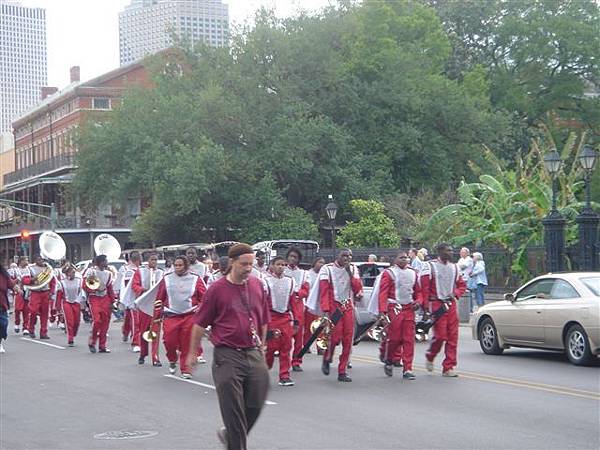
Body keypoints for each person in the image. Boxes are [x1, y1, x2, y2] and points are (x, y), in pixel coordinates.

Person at [188, 243, 270, 450]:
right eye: (244, 264)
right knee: (233, 411)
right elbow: (199, 323)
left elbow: (263, 318)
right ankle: (235, 441)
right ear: (232, 263)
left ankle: (230, 433)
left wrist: (263, 344)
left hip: (253, 351)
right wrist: (191, 353)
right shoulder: (217, 289)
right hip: (227, 354)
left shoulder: (257, 285)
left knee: (257, 399)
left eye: (251, 264)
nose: (249, 268)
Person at [153, 255, 205, 378]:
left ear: (186, 266)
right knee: (169, 341)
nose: (177, 268)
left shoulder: (195, 279)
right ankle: (172, 359)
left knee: (186, 343)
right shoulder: (166, 279)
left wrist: (200, 309)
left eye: (180, 265)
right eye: (175, 265)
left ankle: (186, 369)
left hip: (189, 315)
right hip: (171, 315)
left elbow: (204, 298)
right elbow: (159, 298)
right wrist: (156, 316)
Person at [421, 243, 466, 377]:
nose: (451, 253)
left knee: (453, 337)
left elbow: (462, 285)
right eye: (448, 250)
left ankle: (448, 367)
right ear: (440, 252)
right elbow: (424, 287)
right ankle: (430, 355)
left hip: (450, 305)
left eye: (452, 250)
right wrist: (425, 308)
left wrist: (456, 293)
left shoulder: (455, 268)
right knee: (440, 336)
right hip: (436, 304)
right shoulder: (430, 266)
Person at [318, 249, 363, 382]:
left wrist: (350, 273)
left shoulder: (353, 269)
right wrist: (325, 310)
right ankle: (327, 357)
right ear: (338, 256)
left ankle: (342, 370)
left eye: (349, 255)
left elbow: (357, 288)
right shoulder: (328, 269)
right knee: (335, 337)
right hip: (333, 306)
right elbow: (324, 290)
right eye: (344, 255)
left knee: (348, 339)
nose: (347, 258)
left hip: (347, 306)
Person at [376, 251, 422, 379]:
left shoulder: (414, 273)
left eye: (406, 257)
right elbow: (383, 294)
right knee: (395, 339)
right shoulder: (389, 273)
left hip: (409, 310)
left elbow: (419, 292)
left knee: (409, 339)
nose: (404, 259)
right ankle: (389, 359)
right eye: (401, 257)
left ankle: (408, 368)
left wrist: (418, 301)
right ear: (395, 260)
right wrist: (383, 311)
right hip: (394, 309)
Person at [264, 256, 301, 386]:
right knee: (271, 346)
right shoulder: (265, 281)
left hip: (285, 317)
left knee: (286, 346)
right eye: (278, 264)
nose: (281, 267)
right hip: (271, 317)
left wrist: (296, 320)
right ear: (272, 266)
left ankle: (284, 375)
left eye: (283, 264)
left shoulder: (290, 281)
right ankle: (265, 369)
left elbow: (293, 302)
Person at [131, 252, 165, 366]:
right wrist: (143, 290)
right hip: (144, 306)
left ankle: (155, 357)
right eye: (152, 259)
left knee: (155, 331)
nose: (154, 262)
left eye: (156, 259)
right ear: (147, 260)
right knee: (144, 331)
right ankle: (143, 353)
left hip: (156, 306)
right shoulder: (140, 271)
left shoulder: (161, 273)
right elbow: (134, 285)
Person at [83, 255, 116, 353]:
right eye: (105, 261)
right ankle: (92, 341)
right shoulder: (91, 271)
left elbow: (110, 288)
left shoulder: (108, 274)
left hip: (105, 298)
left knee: (105, 322)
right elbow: (85, 285)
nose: (107, 263)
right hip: (94, 297)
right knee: (97, 321)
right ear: (100, 262)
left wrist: (113, 301)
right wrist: (93, 288)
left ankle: (102, 345)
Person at [283, 247, 308, 372]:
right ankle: (284, 361)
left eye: (295, 257)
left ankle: (296, 361)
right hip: (285, 306)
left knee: (299, 338)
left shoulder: (303, 273)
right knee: (285, 337)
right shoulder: (282, 270)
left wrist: (298, 293)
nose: (292, 259)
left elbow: (306, 289)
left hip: (298, 306)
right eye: (291, 256)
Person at [297, 256, 325, 359]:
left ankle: (320, 347)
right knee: (310, 327)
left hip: (321, 305)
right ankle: (307, 345)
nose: (322, 265)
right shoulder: (308, 274)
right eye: (320, 262)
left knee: (321, 327)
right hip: (310, 304)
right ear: (314, 263)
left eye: (323, 263)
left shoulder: (323, 275)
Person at [23, 254, 56, 339]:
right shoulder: (30, 268)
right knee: (33, 311)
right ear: (35, 260)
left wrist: (51, 292)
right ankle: (31, 329)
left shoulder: (48, 269)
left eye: (41, 259)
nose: (40, 261)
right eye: (38, 259)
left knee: (45, 313)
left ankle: (43, 332)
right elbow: (24, 280)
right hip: (35, 292)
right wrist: (32, 279)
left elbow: (53, 281)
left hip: (45, 292)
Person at [120, 251, 142, 352]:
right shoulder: (129, 271)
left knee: (128, 319)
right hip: (132, 299)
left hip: (137, 299)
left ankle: (125, 332)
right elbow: (128, 286)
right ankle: (136, 343)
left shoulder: (139, 270)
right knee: (136, 322)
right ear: (138, 259)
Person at [59, 265, 85, 347]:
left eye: (74, 272)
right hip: (66, 302)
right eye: (72, 272)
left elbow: (82, 291)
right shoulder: (62, 282)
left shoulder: (79, 280)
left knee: (77, 321)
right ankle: (70, 338)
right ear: (67, 273)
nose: (74, 274)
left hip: (76, 302)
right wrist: (57, 307)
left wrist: (82, 302)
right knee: (70, 320)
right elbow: (59, 294)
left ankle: (73, 333)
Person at [1, 259, 19, 353]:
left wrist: (18, 289)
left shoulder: (4, 274)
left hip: (2, 303)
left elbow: (11, 284)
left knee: (3, 324)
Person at [12, 257, 30, 334]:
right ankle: (17, 323)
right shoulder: (15, 270)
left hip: (28, 291)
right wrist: (18, 279)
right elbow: (10, 282)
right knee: (17, 309)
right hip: (19, 291)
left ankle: (25, 327)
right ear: (21, 261)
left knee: (26, 310)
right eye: (25, 260)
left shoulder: (29, 269)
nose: (27, 262)